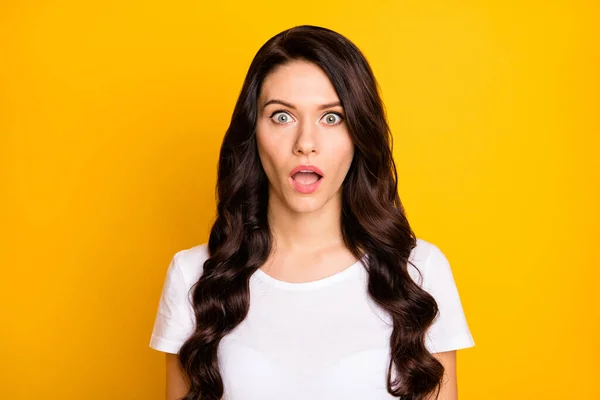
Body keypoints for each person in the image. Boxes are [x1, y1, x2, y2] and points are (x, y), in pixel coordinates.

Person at [149, 25, 475, 400]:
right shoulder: (193, 275)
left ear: (359, 134)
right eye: (281, 117)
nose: (306, 143)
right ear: (252, 133)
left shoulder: (419, 271)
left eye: (331, 117)